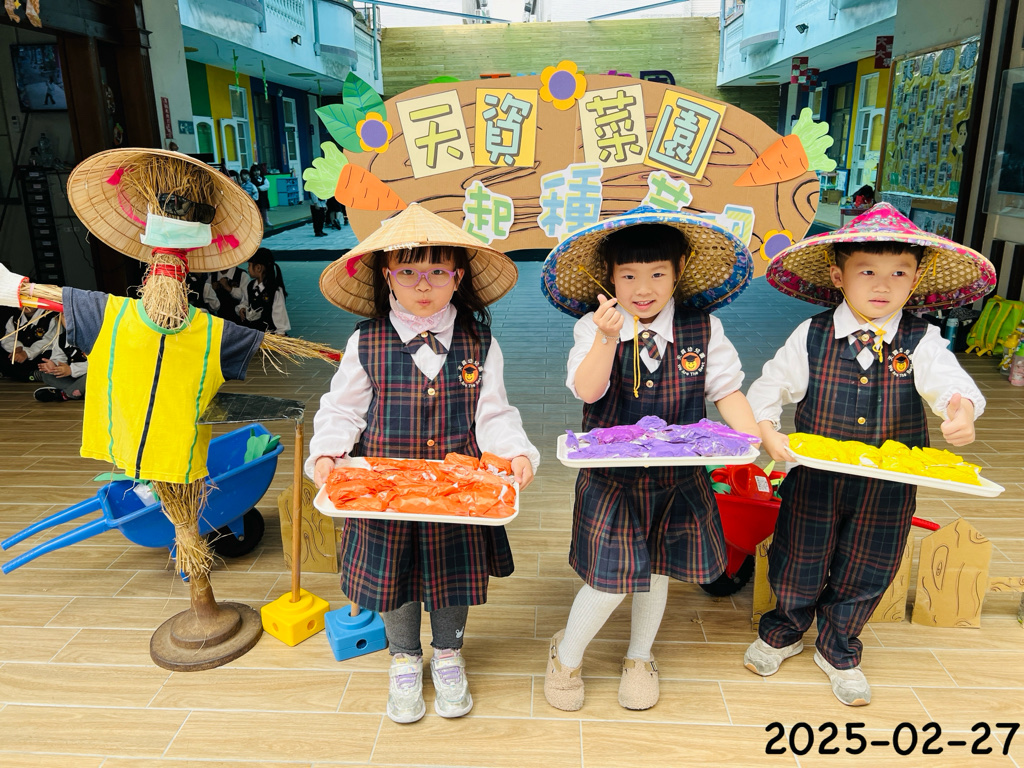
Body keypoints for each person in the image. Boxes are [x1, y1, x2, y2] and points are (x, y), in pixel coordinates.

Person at [743, 202, 993, 706]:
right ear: (839, 276)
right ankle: (784, 629)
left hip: (888, 485)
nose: (883, 284)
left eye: (899, 272)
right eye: (867, 271)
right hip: (815, 478)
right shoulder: (812, 335)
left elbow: (950, 384)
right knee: (797, 555)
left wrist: (961, 410)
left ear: (916, 279)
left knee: (871, 564)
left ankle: (838, 646)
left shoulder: (922, 339)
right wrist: (768, 432)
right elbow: (769, 387)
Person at [306, 203, 539, 725]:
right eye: (408, 272)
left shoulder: (480, 341)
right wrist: (327, 452)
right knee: (393, 575)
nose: (423, 284)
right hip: (384, 490)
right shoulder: (365, 340)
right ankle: (405, 657)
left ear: (458, 277)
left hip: (458, 492)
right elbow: (343, 409)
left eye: (437, 271)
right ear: (387, 276)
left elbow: (494, 413)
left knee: (452, 574)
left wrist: (516, 451)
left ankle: (449, 652)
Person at [539, 207, 760, 712]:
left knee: (658, 569)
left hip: (678, 478)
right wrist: (606, 338)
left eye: (658, 274)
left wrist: (751, 440)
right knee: (609, 579)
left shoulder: (703, 328)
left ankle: (639, 657)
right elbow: (588, 390)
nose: (643, 289)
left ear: (679, 271)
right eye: (629, 276)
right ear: (609, 278)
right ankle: (565, 657)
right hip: (612, 479)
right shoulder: (593, 327)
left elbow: (727, 390)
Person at [236, 248, 289, 335]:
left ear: (258, 268)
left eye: (249, 265)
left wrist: (280, 334)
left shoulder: (275, 290)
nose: (247, 268)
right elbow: (245, 302)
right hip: (253, 334)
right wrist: (242, 308)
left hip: (269, 335)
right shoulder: (250, 286)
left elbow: (280, 316)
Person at [1, 305, 58, 381]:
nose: (26, 305)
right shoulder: (15, 318)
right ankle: (32, 375)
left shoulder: (50, 318)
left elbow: (48, 341)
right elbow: (8, 338)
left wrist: (27, 353)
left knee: (50, 357)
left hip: (40, 355)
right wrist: (17, 347)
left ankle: (37, 375)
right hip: (20, 356)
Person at [35, 325, 87, 402]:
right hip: (73, 379)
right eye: (64, 318)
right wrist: (55, 367)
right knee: (47, 376)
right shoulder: (61, 338)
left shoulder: (97, 336)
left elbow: (100, 365)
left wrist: (71, 370)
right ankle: (79, 391)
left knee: (92, 375)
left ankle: (65, 394)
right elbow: (59, 358)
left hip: (88, 375)